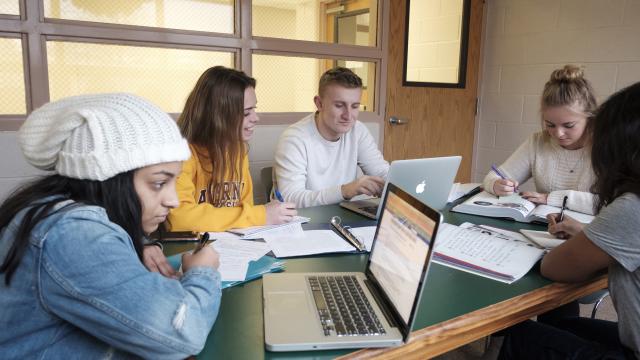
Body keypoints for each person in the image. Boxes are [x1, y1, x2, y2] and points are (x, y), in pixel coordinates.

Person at [0, 93, 221, 358]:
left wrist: (137, 245)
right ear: (110, 180)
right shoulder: (75, 234)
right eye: (159, 183)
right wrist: (203, 273)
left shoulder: (55, 212)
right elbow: (183, 334)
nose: (173, 201)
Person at [498, 82, 640, 360]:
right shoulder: (537, 142)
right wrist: (590, 232)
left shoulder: (632, 207)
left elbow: (555, 267)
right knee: (561, 326)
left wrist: (591, 237)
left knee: (522, 333)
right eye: (550, 124)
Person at [167, 66, 296, 232]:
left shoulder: (237, 149)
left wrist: (259, 216)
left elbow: (245, 210)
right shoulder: (180, 154)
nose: (255, 118)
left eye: (254, 109)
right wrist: (261, 215)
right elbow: (179, 218)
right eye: (246, 113)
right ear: (217, 115)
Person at [483, 65, 597, 215]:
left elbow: (612, 204)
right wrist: (496, 184)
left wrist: (550, 198)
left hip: (586, 233)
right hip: (542, 225)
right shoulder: (538, 142)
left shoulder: (606, 147)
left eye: (568, 125)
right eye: (550, 124)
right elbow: (493, 176)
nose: (558, 133)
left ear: (589, 117)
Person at [274, 67, 389, 208]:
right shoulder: (294, 139)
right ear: (319, 103)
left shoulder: (358, 131)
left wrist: (394, 184)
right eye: (339, 105)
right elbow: (291, 198)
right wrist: (345, 191)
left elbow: (382, 172)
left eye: (355, 106)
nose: (348, 116)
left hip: (344, 215)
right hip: (307, 222)